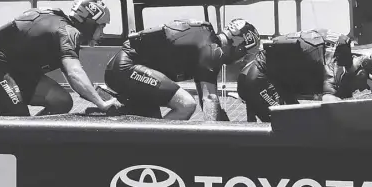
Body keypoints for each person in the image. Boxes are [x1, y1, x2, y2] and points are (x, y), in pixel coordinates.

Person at [0, 0, 121, 116]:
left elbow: (71, 77)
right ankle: (24, 137)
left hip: (16, 71)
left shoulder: (61, 24)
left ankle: (33, 134)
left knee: (61, 101)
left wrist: (96, 97)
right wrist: (101, 104)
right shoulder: (67, 32)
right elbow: (75, 73)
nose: (102, 32)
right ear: (90, 23)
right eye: (101, 26)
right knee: (17, 121)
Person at [103, 18, 261, 121]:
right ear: (239, 46)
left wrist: (223, 122)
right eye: (244, 55)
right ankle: (153, 151)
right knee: (185, 104)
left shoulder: (206, 40)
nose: (241, 60)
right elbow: (209, 99)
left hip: (121, 67)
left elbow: (210, 101)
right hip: (126, 67)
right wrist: (215, 141)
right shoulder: (213, 50)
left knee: (152, 119)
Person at [236, 29, 372, 122]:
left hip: (266, 78)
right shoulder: (337, 67)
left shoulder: (342, 52)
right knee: (290, 127)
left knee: (296, 120)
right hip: (258, 78)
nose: (360, 89)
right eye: (364, 85)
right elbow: (330, 105)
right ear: (362, 72)